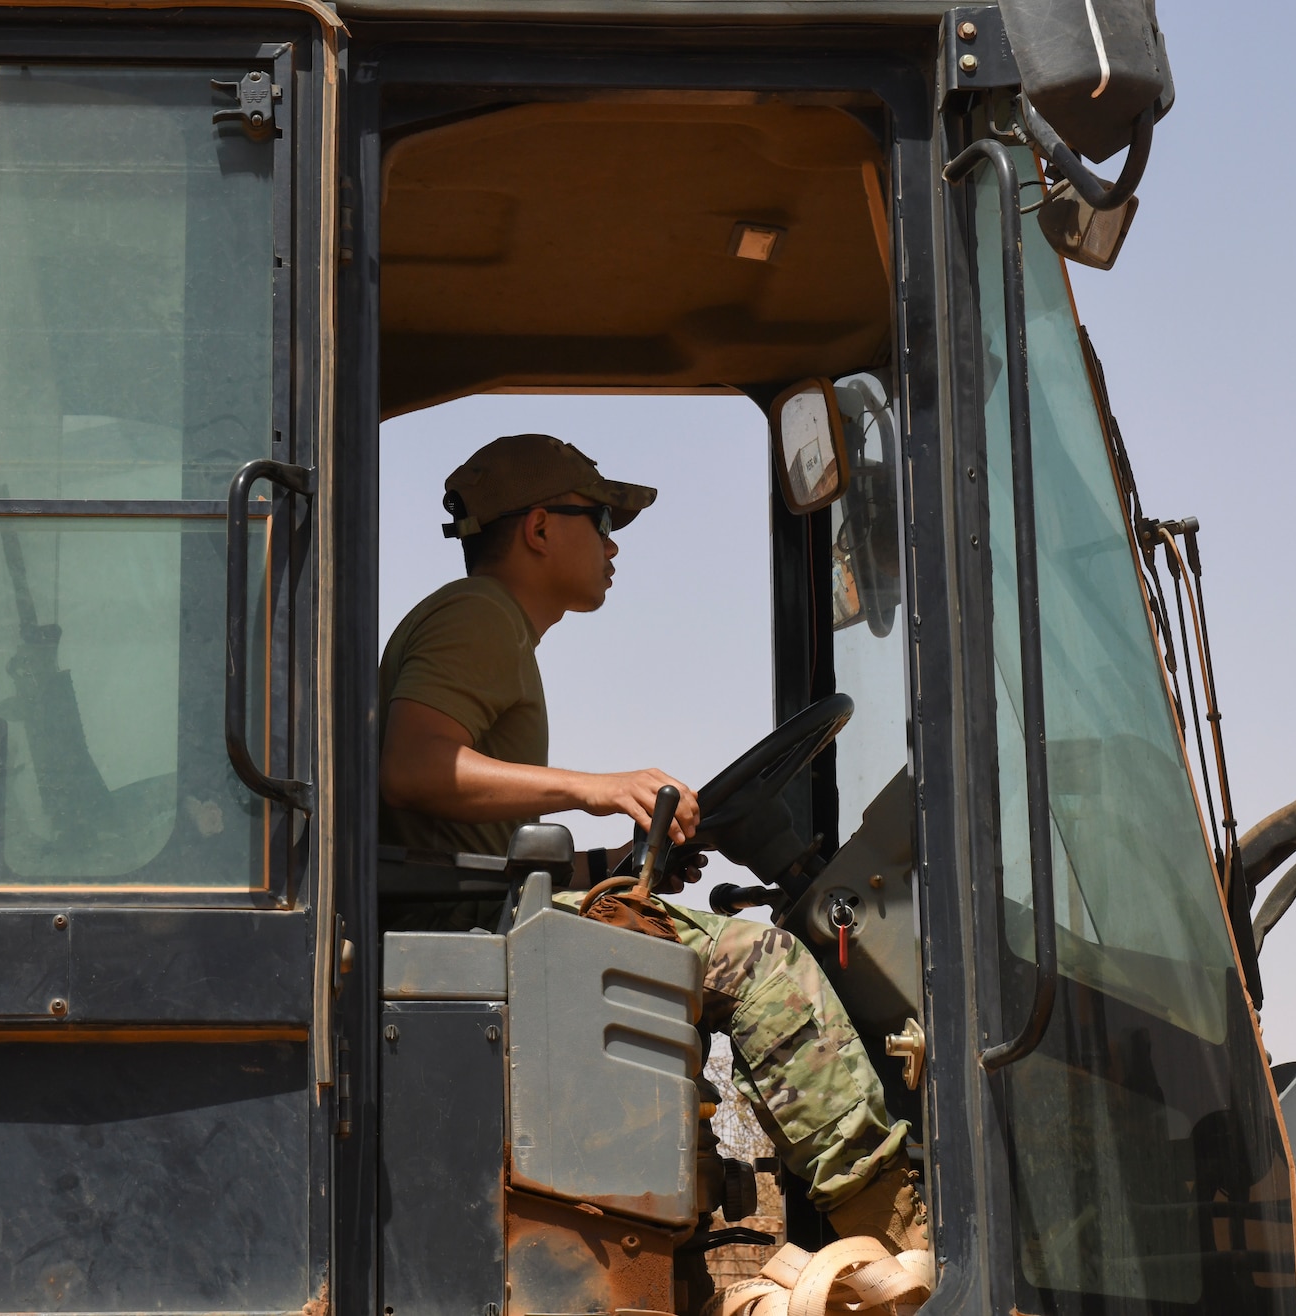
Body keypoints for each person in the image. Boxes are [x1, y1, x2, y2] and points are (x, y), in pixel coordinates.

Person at [377, 433, 925, 1253]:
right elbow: (413, 767)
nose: (612, 542)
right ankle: (895, 1232)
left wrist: (613, 869)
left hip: (475, 906)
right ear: (537, 528)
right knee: (760, 961)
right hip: (473, 930)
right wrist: (594, 786)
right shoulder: (480, 616)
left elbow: (464, 833)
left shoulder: (484, 625)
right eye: (599, 519)